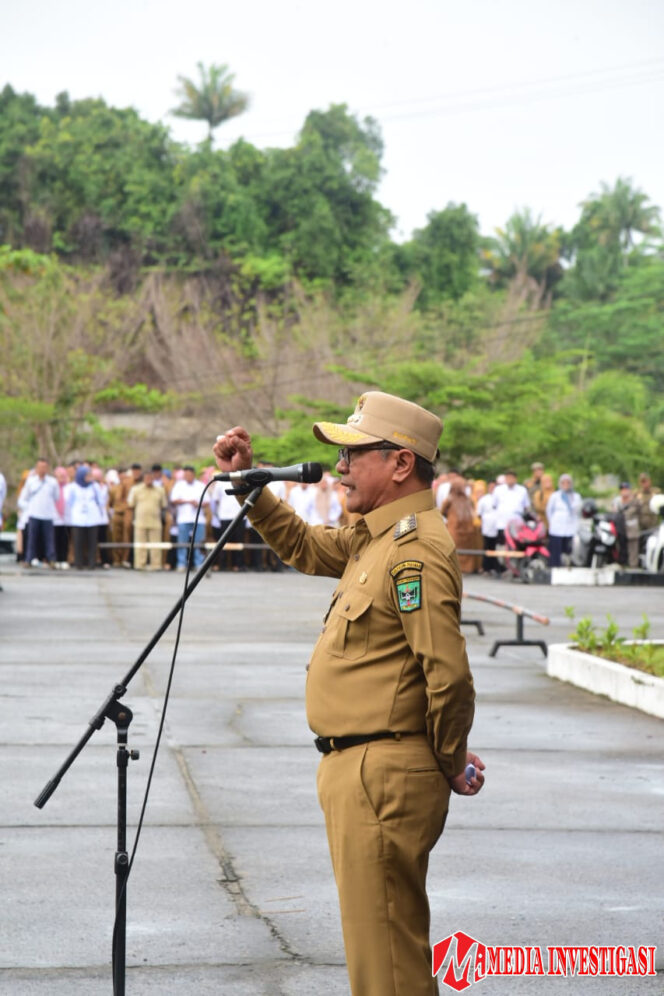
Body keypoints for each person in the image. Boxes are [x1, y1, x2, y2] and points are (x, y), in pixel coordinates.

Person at [213, 390, 484, 996]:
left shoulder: (415, 550)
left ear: (400, 463)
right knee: (379, 952)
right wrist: (249, 489)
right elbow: (309, 547)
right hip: (361, 767)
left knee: (386, 962)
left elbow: (448, 676)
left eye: (354, 453)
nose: (339, 466)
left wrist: (448, 758)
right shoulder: (377, 537)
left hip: (382, 773)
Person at [18, 458, 59, 567]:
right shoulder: (31, 481)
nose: (42, 469)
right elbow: (22, 499)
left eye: (44, 467)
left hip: (48, 515)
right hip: (34, 515)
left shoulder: (52, 482)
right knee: (32, 539)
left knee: (49, 540)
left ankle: (51, 560)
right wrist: (30, 508)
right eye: (40, 467)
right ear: (36, 468)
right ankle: (29, 559)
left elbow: (56, 497)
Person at [170, 465, 210, 570]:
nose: (188, 477)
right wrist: (187, 502)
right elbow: (174, 500)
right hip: (183, 519)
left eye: (189, 475)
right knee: (182, 543)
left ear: (193, 475)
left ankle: (199, 564)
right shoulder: (179, 485)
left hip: (199, 519)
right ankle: (181, 564)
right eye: (186, 475)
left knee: (198, 543)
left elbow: (207, 502)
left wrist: (198, 504)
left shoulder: (201, 485)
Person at [127, 469, 168, 570]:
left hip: (155, 521)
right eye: (147, 478)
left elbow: (164, 505)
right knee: (140, 544)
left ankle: (156, 565)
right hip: (140, 521)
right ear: (143, 479)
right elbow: (130, 503)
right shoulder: (136, 489)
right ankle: (140, 564)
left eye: (151, 478)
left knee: (155, 545)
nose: (149, 480)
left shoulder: (160, 490)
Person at [440, 478, 478, 573]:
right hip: (458, 528)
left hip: (462, 529)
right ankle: (460, 568)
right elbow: (443, 511)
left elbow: (442, 512)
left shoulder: (467, 499)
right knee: (457, 548)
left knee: (464, 548)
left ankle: (464, 568)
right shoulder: (451, 499)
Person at [545, 474, 582, 567]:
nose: (566, 484)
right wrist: (552, 522)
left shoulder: (576, 496)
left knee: (569, 550)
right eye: (563, 482)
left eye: (568, 482)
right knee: (556, 551)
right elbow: (549, 510)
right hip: (557, 526)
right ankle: (554, 567)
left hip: (571, 527)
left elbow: (578, 511)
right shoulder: (555, 496)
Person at [612, 482, 640, 568]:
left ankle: (633, 566)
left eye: (626, 490)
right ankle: (622, 564)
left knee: (633, 549)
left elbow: (631, 512)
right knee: (620, 548)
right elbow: (614, 512)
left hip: (631, 528)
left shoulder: (635, 501)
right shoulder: (617, 501)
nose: (624, 492)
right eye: (622, 490)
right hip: (620, 529)